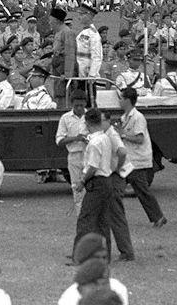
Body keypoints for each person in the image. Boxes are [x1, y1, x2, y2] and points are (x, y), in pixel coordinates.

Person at [118, 87, 167, 228]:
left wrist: (123, 135)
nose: (119, 101)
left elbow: (139, 138)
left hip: (138, 162)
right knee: (117, 189)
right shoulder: (124, 117)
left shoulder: (138, 117)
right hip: (128, 160)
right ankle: (115, 217)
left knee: (142, 191)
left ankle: (158, 217)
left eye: (121, 98)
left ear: (128, 100)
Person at [72, 108, 114, 257]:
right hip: (106, 181)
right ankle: (105, 254)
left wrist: (82, 181)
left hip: (97, 183)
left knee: (85, 219)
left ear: (88, 123)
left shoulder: (94, 142)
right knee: (102, 221)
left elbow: (93, 166)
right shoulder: (105, 138)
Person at [59, 233, 129, 305]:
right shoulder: (70, 299)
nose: (102, 262)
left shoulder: (118, 289)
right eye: (96, 258)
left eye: (104, 257)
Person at [56, 89, 88, 214]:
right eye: (76, 106)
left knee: (90, 184)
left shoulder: (90, 116)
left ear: (86, 103)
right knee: (76, 185)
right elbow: (59, 140)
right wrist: (76, 138)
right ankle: (80, 212)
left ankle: (90, 211)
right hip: (74, 155)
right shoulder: (66, 118)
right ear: (71, 104)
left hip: (89, 154)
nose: (79, 108)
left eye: (82, 105)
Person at [76, 4, 103, 79]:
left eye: (81, 15)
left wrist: (92, 74)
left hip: (88, 77)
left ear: (89, 15)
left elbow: (97, 57)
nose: (79, 18)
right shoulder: (82, 33)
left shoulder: (93, 34)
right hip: (81, 74)